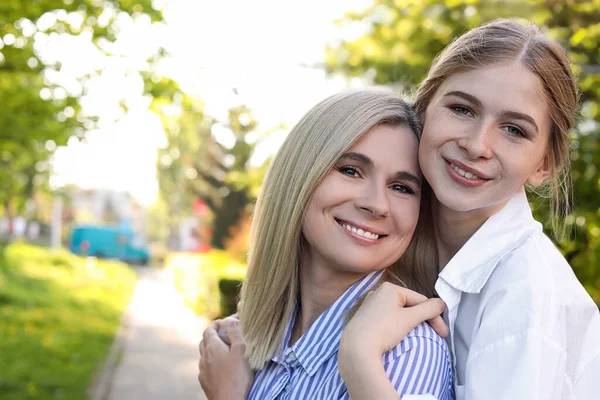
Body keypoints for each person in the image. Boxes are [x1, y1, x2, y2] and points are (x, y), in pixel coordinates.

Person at [337, 19, 600, 399]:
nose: (477, 144)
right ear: (423, 110)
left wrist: (360, 362)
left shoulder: (524, 293)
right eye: (462, 109)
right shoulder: (389, 231)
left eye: (514, 130)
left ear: (544, 165)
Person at [199, 89, 454, 400]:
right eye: (350, 170)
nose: (376, 205)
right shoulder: (249, 342)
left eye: (401, 187)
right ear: (299, 176)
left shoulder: (408, 351)